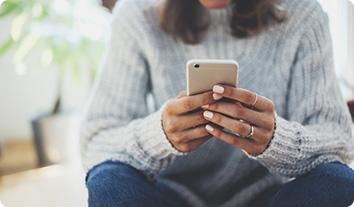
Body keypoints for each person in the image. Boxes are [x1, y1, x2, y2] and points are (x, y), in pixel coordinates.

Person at [80, 0, 354, 206]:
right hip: (169, 195)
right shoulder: (137, 13)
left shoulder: (302, 12)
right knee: (107, 179)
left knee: (336, 179)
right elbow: (97, 142)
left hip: (269, 197)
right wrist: (159, 134)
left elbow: (339, 141)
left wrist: (276, 140)